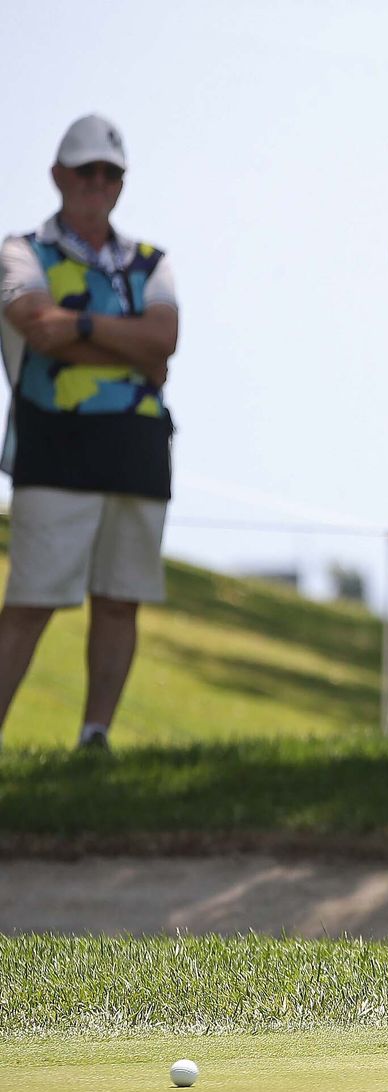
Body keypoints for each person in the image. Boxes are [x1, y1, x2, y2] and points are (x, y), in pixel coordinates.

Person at [0, 114, 179, 751]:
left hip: (137, 450)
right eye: (86, 171)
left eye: (110, 173)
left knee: (120, 598)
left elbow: (164, 339)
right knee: (30, 603)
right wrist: (127, 347)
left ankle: (95, 738)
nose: (98, 183)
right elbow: (37, 327)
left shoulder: (151, 261)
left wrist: (75, 326)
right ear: (59, 175)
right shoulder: (21, 250)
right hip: (53, 448)